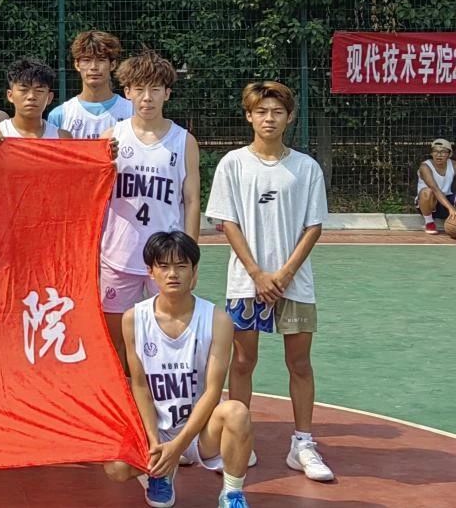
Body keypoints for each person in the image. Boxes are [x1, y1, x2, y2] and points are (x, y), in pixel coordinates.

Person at [205, 81, 334, 482]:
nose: (269, 118)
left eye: (277, 112)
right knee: (243, 361)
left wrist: (285, 273)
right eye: (261, 111)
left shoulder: (306, 167)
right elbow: (228, 222)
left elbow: (313, 226)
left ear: (289, 117)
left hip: (295, 283)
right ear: (249, 116)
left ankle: (302, 444)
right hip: (246, 284)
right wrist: (257, 274)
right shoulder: (232, 164)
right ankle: (239, 438)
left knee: (300, 363)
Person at [102, 231, 254, 508]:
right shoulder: (134, 319)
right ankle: (160, 473)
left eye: (181, 266)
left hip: (200, 431)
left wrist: (179, 446)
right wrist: (155, 442)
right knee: (115, 467)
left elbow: (212, 391)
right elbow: (140, 385)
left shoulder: (217, 320)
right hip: (156, 428)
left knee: (237, 413)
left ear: (194, 271)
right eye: (163, 266)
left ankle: (232, 493)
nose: (172, 274)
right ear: (150, 271)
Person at [99, 50, 201, 363]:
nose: (147, 97)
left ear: (167, 93)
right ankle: (124, 396)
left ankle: (160, 395)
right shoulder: (111, 138)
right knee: (115, 344)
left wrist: (191, 257)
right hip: (118, 256)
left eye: (155, 89)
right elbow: (95, 198)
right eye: (139, 89)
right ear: (127, 92)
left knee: (166, 338)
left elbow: (191, 200)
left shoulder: (184, 141)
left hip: (167, 261)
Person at [47, 30, 133, 138]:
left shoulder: (132, 111)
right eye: (86, 60)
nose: (93, 67)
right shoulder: (59, 115)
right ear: (77, 64)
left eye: (101, 60)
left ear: (112, 65)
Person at [0, 57, 69, 141]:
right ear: (10, 95)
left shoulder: (62, 138)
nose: (31, 96)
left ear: (49, 98)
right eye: (23, 90)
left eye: (39, 90)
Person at [416, 138, 455, 234]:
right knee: (427, 192)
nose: (438, 154)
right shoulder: (425, 167)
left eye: (443, 152)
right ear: (431, 153)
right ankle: (429, 222)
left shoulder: (453, 165)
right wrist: (451, 208)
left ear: (449, 154)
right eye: (435, 151)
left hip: (447, 199)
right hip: (429, 203)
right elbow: (435, 188)